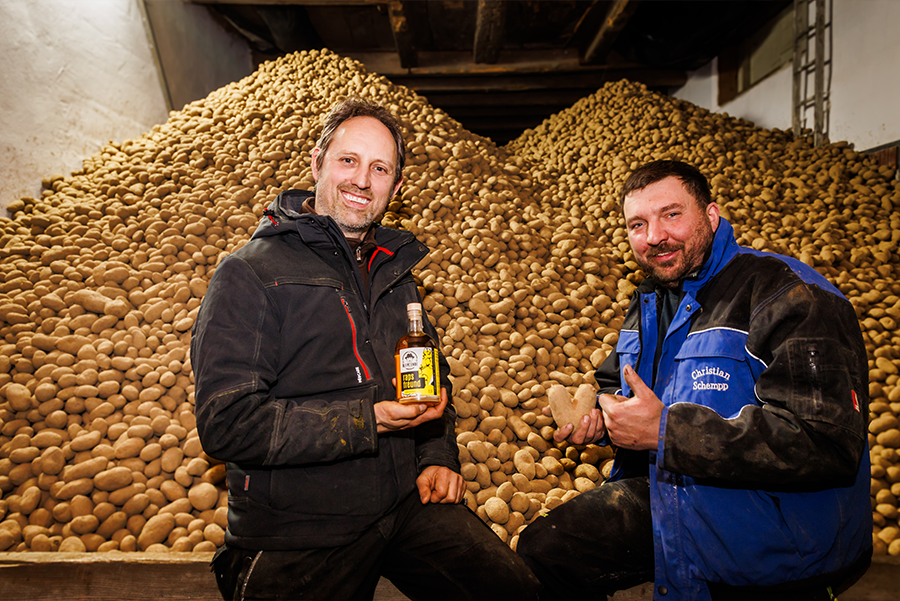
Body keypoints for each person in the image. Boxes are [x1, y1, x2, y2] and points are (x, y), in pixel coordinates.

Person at [191, 98, 540, 601]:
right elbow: (226, 424)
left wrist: (436, 455)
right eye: (348, 160)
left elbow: (428, 374)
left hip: (400, 505)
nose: (361, 180)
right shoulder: (249, 273)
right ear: (318, 163)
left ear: (396, 188)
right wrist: (368, 419)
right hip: (298, 529)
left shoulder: (392, 270)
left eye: (380, 169)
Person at [516, 160, 873, 601]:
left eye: (671, 214)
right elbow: (617, 381)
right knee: (545, 549)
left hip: (776, 536)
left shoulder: (787, 294)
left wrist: (666, 432)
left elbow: (826, 442)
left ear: (711, 215)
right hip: (674, 497)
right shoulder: (650, 299)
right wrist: (605, 417)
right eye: (638, 224)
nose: (654, 236)